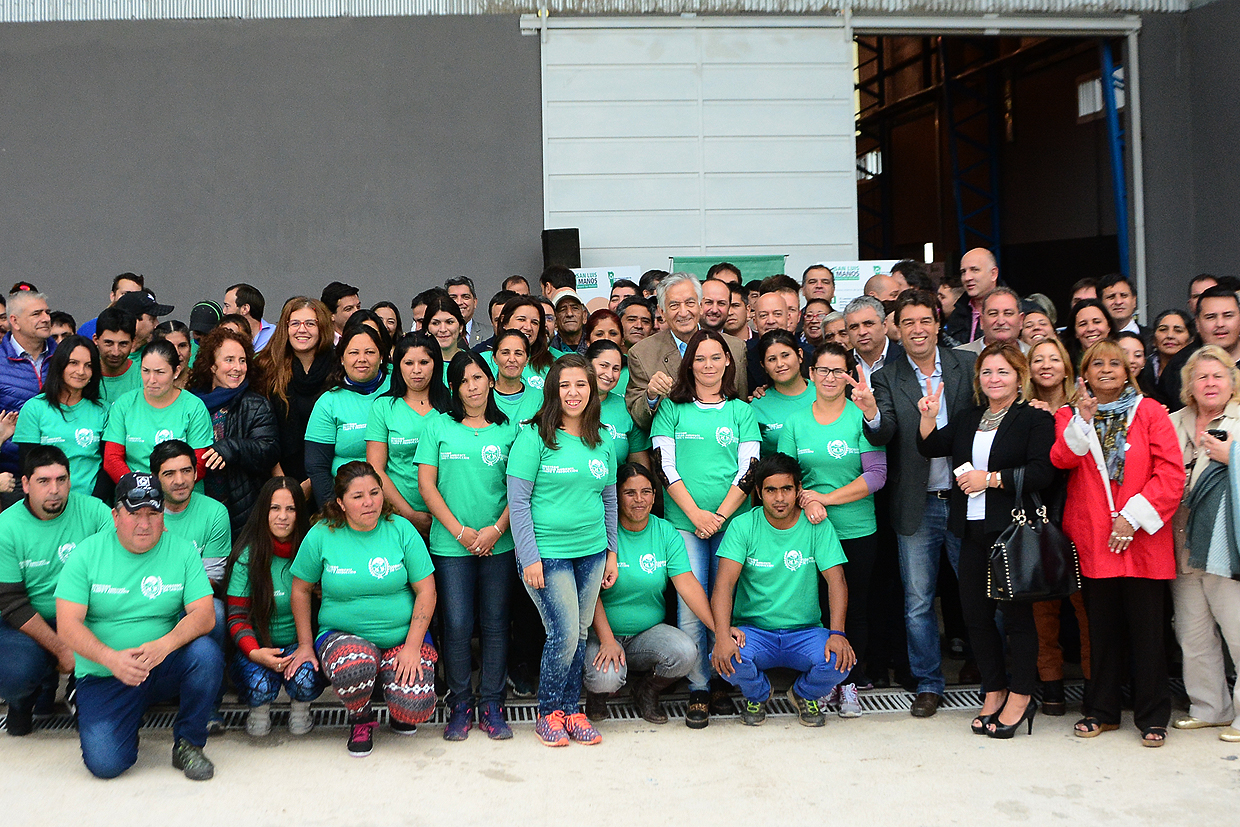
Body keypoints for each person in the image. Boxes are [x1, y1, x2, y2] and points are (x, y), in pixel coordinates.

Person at [916, 343, 1054, 738]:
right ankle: (994, 691)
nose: (994, 379)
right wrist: (927, 416)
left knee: (1016, 619)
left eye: (1003, 372)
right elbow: (929, 447)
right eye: (987, 373)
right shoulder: (969, 417)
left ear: (1019, 377)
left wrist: (989, 479)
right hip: (970, 531)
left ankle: (1022, 696)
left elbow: (1043, 472)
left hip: (1009, 530)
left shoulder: (1033, 419)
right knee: (976, 616)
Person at [1050, 339, 1184, 746]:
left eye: (1115, 363)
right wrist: (1082, 423)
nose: (1106, 369)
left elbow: (1171, 474)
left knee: (1148, 633)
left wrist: (1132, 517)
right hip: (1095, 538)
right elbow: (1061, 459)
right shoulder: (1069, 415)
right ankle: (1102, 710)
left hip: (1141, 538)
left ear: (1129, 371)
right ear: (1084, 374)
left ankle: (1152, 715)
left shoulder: (1150, 412)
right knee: (1101, 632)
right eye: (1097, 364)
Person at [856, 289, 977, 717]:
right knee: (919, 601)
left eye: (925, 320)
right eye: (908, 323)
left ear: (938, 323)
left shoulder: (968, 365)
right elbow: (883, 431)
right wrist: (871, 412)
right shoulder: (888, 377)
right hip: (916, 503)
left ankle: (994, 673)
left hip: (969, 499)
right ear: (897, 329)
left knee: (980, 593)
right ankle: (929, 681)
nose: (918, 330)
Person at [54, 472, 222, 780]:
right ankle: (106, 711)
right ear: (116, 515)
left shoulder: (182, 550)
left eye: (152, 513)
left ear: (163, 516)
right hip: (106, 672)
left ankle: (188, 743)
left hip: (162, 664)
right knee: (106, 765)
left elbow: (205, 615)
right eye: (134, 514)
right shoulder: (87, 554)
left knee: (205, 654)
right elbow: (66, 626)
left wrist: (164, 645)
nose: (144, 524)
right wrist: (110, 659)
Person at [287, 462, 438, 757]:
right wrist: (305, 644)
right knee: (355, 667)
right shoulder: (322, 533)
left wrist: (412, 646)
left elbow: (427, 590)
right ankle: (361, 717)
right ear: (341, 503)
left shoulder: (400, 529)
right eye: (357, 496)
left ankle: (395, 701)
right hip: (343, 635)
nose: (369, 502)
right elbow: (301, 589)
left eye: (374, 492)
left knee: (415, 705)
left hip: (400, 638)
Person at [650, 329, 760, 727]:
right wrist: (696, 514)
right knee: (691, 607)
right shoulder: (671, 409)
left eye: (716, 357)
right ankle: (698, 686)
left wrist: (720, 516)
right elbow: (664, 465)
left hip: (733, 524)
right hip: (684, 524)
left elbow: (750, 467)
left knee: (728, 599)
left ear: (728, 362)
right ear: (688, 364)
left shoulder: (741, 411)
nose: (708, 365)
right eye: (700, 359)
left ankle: (723, 680)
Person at [507, 354, 618, 746]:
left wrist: (612, 552)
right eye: (565, 385)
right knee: (564, 634)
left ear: (593, 390)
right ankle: (548, 711)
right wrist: (530, 557)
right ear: (553, 389)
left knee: (580, 631)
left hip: (591, 551)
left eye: (581, 385)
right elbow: (518, 503)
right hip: (547, 553)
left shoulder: (603, 438)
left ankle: (572, 711)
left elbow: (609, 500)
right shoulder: (534, 436)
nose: (573, 393)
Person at [779, 342, 886, 717]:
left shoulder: (860, 417)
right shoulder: (795, 422)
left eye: (837, 371)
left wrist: (824, 499)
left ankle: (850, 682)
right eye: (822, 370)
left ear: (850, 375)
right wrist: (807, 502)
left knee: (854, 608)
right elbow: (788, 479)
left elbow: (875, 476)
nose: (829, 378)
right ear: (810, 374)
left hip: (856, 528)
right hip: (810, 529)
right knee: (820, 608)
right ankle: (823, 682)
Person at [416, 351, 517, 741]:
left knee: (495, 625)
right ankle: (460, 702)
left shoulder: (510, 431)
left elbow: (520, 489)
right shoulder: (437, 427)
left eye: (478, 378)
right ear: (454, 388)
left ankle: (492, 703)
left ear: (490, 382)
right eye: (463, 381)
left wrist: (495, 529)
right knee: (456, 625)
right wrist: (460, 532)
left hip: (499, 544)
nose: (472, 386)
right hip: (450, 545)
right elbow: (427, 486)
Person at [710, 453, 853, 727]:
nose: (779, 498)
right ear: (759, 492)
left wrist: (837, 633)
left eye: (786, 489)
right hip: (754, 631)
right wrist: (721, 634)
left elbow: (837, 582)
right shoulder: (743, 526)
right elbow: (724, 585)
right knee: (724, 658)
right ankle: (759, 694)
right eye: (771, 490)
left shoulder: (817, 526)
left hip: (805, 631)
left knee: (840, 660)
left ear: (799, 490)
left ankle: (803, 693)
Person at [585, 463, 716, 725]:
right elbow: (590, 594)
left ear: (655, 496)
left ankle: (646, 690)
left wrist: (719, 629)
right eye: (629, 493)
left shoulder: (665, 532)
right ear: (616, 496)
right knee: (605, 678)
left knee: (685, 652)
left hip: (646, 635)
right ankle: (597, 694)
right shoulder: (602, 531)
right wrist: (608, 640)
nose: (639, 500)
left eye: (646, 492)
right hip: (602, 634)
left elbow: (688, 584)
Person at [0, 447, 112, 735]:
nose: (55, 490)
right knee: (16, 674)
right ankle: (29, 694)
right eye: (44, 481)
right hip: (29, 622)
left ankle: (80, 687)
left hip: (86, 617)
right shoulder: (7, 526)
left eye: (61, 480)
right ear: (25, 484)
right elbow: (10, 602)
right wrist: (62, 648)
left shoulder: (96, 512)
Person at [1168, 346, 1240, 742]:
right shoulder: (1172, 421)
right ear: (1189, 386)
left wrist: (1235, 456)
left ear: (1232, 383)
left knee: (1238, 630)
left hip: (1223, 543)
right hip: (1179, 542)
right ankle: (1210, 708)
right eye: (1202, 377)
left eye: (1218, 376)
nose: (1210, 383)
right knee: (1192, 633)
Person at [224, 477, 325, 738]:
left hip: (300, 646)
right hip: (259, 645)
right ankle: (258, 711)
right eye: (275, 508)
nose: (283, 517)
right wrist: (255, 652)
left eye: (291, 509)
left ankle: (302, 710)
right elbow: (236, 617)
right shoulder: (247, 555)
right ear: (263, 511)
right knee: (259, 685)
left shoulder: (313, 550)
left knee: (305, 680)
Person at [1024, 337, 1091, 716]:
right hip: (1037, 518)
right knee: (1042, 610)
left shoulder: (1083, 408)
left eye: (1054, 359)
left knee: (1086, 609)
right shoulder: (1020, 409)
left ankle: (1093, 686)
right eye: (1038, 360)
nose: (1046, 365)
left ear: (1067, 367)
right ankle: (1050, 687)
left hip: (1080, 516)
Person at [625, 273, 749, 430]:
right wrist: (651, 396)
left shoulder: (734, 348)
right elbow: (639, 419)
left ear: (700, 306)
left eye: (690, 303)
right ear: (662, 311)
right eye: (674, 305)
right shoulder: (642, 354)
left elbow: (742, 406)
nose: (683, 312)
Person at [186, 327, 279, 533]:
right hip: (195, 503)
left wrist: (232, 448)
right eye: (229, 360)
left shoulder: (256, 404)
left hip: (242, 510)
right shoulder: (191, 402)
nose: (237, 367)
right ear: (212, 365)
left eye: (242, 360)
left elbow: (269, 450)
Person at [365, 333, 448, 535]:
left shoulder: (452, 404)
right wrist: (409, 514)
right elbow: (375, 468)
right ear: (398, 365)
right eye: (409, 363)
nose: (417, 370)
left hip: (450, 517)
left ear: (436, 364)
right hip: (397, 517)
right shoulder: (383, 406)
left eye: (424, 362)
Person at [304, 324, 388, 509]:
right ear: (342, 358)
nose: (362, 359)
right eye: (353, 353)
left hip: (399, 498)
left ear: (382, 357)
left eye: (370, 352)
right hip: (347, 503)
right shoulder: (328, 402)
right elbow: (317, 467)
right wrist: (333, 510)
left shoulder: (398, 389)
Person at [102, 340, 212, 481]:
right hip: (135, 492)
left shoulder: (194, 407)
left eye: (160, 372)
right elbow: (112, 458)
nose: (151, 380)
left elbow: (200, 463)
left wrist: (167, 487)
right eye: (146, 371)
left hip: (181, 490)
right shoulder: (125, 404)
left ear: (176, 371)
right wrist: (139, 487)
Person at [258, 297, 335, 499]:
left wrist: (312, 482)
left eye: (310, 323)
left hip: (328, 475)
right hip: (277, 475)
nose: (302, 330)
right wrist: (284, 484)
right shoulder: (266, 367)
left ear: (323, 327)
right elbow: (261, 429)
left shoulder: (339, 368)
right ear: (285, 328)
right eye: (295, 323)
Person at [13, 336, 107, 498]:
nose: (81, 371)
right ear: (60, 365)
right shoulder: (34, 408)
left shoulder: (103, 410)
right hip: (47, 503)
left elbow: (107, 467)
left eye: (88, 365)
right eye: (73, 363)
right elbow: (29, 466)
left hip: (91, 505)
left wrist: (92, 505)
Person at [1, 289, 55, 485]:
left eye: (47, 312)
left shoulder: (64, 358)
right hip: (12, 474)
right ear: (14, 321)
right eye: (36, 314)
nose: (46, 318)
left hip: (57, 469)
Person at [750, 330, 814, 456]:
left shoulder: (824, 393)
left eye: (785, 355)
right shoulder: (756, 407)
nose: (780, 364)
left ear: (800, 355)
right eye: (772, 359)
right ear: (763, 366)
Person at [588, 340, 650, 467]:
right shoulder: (569, 404)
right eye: (604, 365)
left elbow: (639, 463)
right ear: (587, 365)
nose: (609, 374)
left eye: (616, 369)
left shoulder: (625, 407)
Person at [490, 295, 556, 389]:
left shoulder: (556, 362)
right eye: (521, 319)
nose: (528, 327)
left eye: (534, 322)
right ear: (504, 322)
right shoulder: (482, 361)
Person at [1140, 309, 1196, 408]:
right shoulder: (1142, 367)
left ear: (1191, 340)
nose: (1170, 336)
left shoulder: (1196, 369)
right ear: (1153, 339)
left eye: (1178, 331)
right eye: (1163, 330)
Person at [945, 247, 1001, 344]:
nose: (967, 277)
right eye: (963, 272)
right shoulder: (957, 315)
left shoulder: (1021, 310)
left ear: (993, 274)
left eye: (975, 270)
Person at [491, 330, 544, 428]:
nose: (512, 359)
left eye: (518, 353)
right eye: (505, 353)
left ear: (526, 360)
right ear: (495, 358)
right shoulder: (483, 396)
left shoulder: (539, 397)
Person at [954, 287, 1029, 355]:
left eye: (1008, 313)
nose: (1001, 321)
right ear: (982, 321)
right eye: (993, 314)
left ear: (1020, 320)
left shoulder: (1035, 357)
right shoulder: (958, 356)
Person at [845, 296, 902, 384]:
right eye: (854, 327)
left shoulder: (906, 357)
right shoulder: (842, 362)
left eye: (868, 324)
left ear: (885, 325)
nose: (862, 332)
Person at [94, 307, 141, 405]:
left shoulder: (143, 377)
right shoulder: (83, 374)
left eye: (123, 344)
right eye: (108, 343)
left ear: (133, 342)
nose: (116, 352)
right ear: (96, 340)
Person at [77, 273, 144, 340]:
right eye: (125, 294)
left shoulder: (146, 330)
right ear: (112, 296)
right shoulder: (89, 329)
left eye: (136, 295)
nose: (130, 299)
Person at [113, 289, 174, 357]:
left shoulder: (157, 356)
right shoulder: (106, 358)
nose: (156, 325)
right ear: (133, 321)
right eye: (152, 319)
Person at [1063, 299, 1118, 370]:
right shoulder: (1065, 365)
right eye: (1083, 324)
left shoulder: (1123, 357)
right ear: (1075, 332)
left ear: (1109, 326)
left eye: (1097, 322)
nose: (1090, 329)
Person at [222, 283, 275, 352]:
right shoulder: (224, 335)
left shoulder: (275, 335)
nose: (224, 311)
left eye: (227, 306)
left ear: (245, 309)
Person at [1098, 273, 1144, 337]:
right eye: (1111, 297)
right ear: (1100, 303)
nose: (1118, 302)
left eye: (1124, 295)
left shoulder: (1152, 339)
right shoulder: (1094, 340)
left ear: (1134, 301)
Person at [445, 276, 485, 348]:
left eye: (465, 297)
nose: (459, 302)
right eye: (453, 298)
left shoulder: (490, 333)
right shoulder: (439, 334)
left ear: (475, 302)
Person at [550, 290, 588, 354]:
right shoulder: (548, 350)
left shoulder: (594, 347)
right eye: (563, 309)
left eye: (575, 308)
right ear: (555, 320)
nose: (569, 314)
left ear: (584, 316)